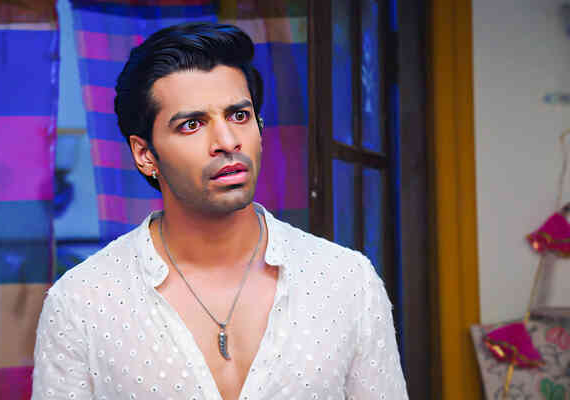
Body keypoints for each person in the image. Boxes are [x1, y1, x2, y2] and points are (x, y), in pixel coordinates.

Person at [32, 22, 408, 400]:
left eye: (239, 116)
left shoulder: (346, 282)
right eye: (192, 124)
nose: (227, 142)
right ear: (145, 155)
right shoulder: (83, 302)